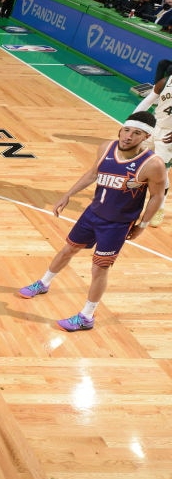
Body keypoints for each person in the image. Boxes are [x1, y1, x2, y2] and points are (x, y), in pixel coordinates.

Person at [18, 112, 167, 330]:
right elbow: (93, 173)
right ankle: (44, 283)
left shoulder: (152, 164)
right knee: (68, 249)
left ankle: (87, 317)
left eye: (136, 133)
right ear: (120, 130)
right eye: (126, 130)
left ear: (145, 137)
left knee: (99, 269)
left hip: (117, 225)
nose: (128, 136)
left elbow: (157, 196)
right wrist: (67, 194)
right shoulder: (106, 148)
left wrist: (142, 225)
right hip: (92, 214)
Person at [132, 71, 172, 225]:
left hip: (169, 135)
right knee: (137, 161)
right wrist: (133, 120)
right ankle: (133, 199)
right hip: (155, 128)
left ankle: (159, 207)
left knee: (162, 171)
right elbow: (147, 101)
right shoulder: (165, 81)